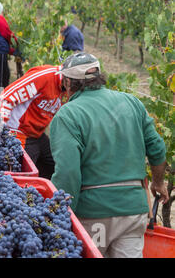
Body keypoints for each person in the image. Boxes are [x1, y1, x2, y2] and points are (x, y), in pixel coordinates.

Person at [49, 52, 169, 258]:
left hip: (95, 215)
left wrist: (59, 215)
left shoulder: (68, 115)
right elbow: (157, 149)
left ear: (68, 82)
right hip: (133, 212)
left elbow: (68, 172)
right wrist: (158, 182)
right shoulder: (132, 103)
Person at [0, 64, 65, 179]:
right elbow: (6, 97)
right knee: (21, 173)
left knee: (56, 165)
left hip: (36, 133)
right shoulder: (45, 77)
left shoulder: (70, 88)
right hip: (17, 130)